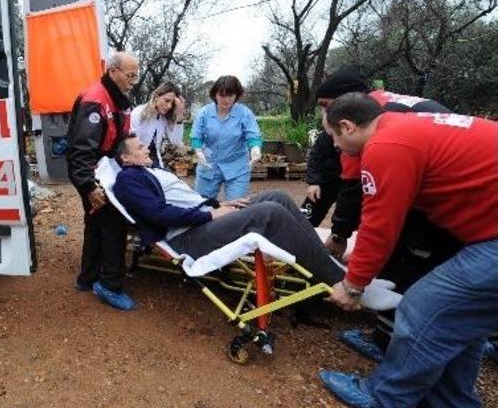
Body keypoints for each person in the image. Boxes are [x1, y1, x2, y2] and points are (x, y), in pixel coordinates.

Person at [319, 93, 498, 408]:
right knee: (460, 319)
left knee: (422, 307)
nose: (335, 146)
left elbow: (380, 225)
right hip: (487, 237)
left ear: (346, 127)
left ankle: (383, 397)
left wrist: (353, 284)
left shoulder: (385, 147)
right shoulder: (405, 127)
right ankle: (453, 400)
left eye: (333, 136)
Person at [110, 134, 397, 305]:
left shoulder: (147, 172)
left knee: (277, 196)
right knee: (267, 214)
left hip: (200, 219)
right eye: (138, 148)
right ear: (124, 158)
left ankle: (333, 266)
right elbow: (158, 214)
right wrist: (209, 213)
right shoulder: (128, 179)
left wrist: (218, 204)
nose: (146, 148)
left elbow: (183, 200)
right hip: (186, 237)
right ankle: (344, 283)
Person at [307, 67, 457, 360]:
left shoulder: (376, 137)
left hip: (442, 203)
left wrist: (350, 272)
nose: (327, 118)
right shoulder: (388, 108)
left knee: (407, 262)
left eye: (327, 107)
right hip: (453, 192)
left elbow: (372, 213)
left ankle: (392, 346)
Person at [67, 52, 138, 311]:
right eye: (130, 75)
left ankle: (87, 278)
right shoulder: (96, 100)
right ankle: (109, 285)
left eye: (136, 76)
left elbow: (120, 137)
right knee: (113, 224)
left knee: (95, 223)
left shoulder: (117, 100)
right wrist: (89, 186)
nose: (133, 81)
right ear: (113, 72)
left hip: (103, 169)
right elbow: (81, 150)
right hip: (92, 172)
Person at [191, 75, 262, 201]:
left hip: (237, 166)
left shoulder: (244, 113)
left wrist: (255, 148)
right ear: (215, 95)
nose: (226, 100)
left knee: (236, 206)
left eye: (230, 95)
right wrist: (198, 150)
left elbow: (253, 135)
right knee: (202, 204)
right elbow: (196, 137)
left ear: (236, 95)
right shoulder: (203, 113)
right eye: (222, 95)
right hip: (209, 164)